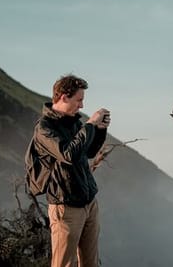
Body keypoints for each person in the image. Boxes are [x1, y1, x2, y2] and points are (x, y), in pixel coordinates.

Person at [32, 74, 111, 267]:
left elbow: (89, 152)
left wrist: (99, 130)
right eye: (79, 100)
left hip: (88, 202)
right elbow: (68, 154)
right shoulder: (44, 128)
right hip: (65, 207)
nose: (82, 106)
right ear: (63, 97)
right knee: (64, 264)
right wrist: (91, 124)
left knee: (90, 263)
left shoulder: (74, 122)